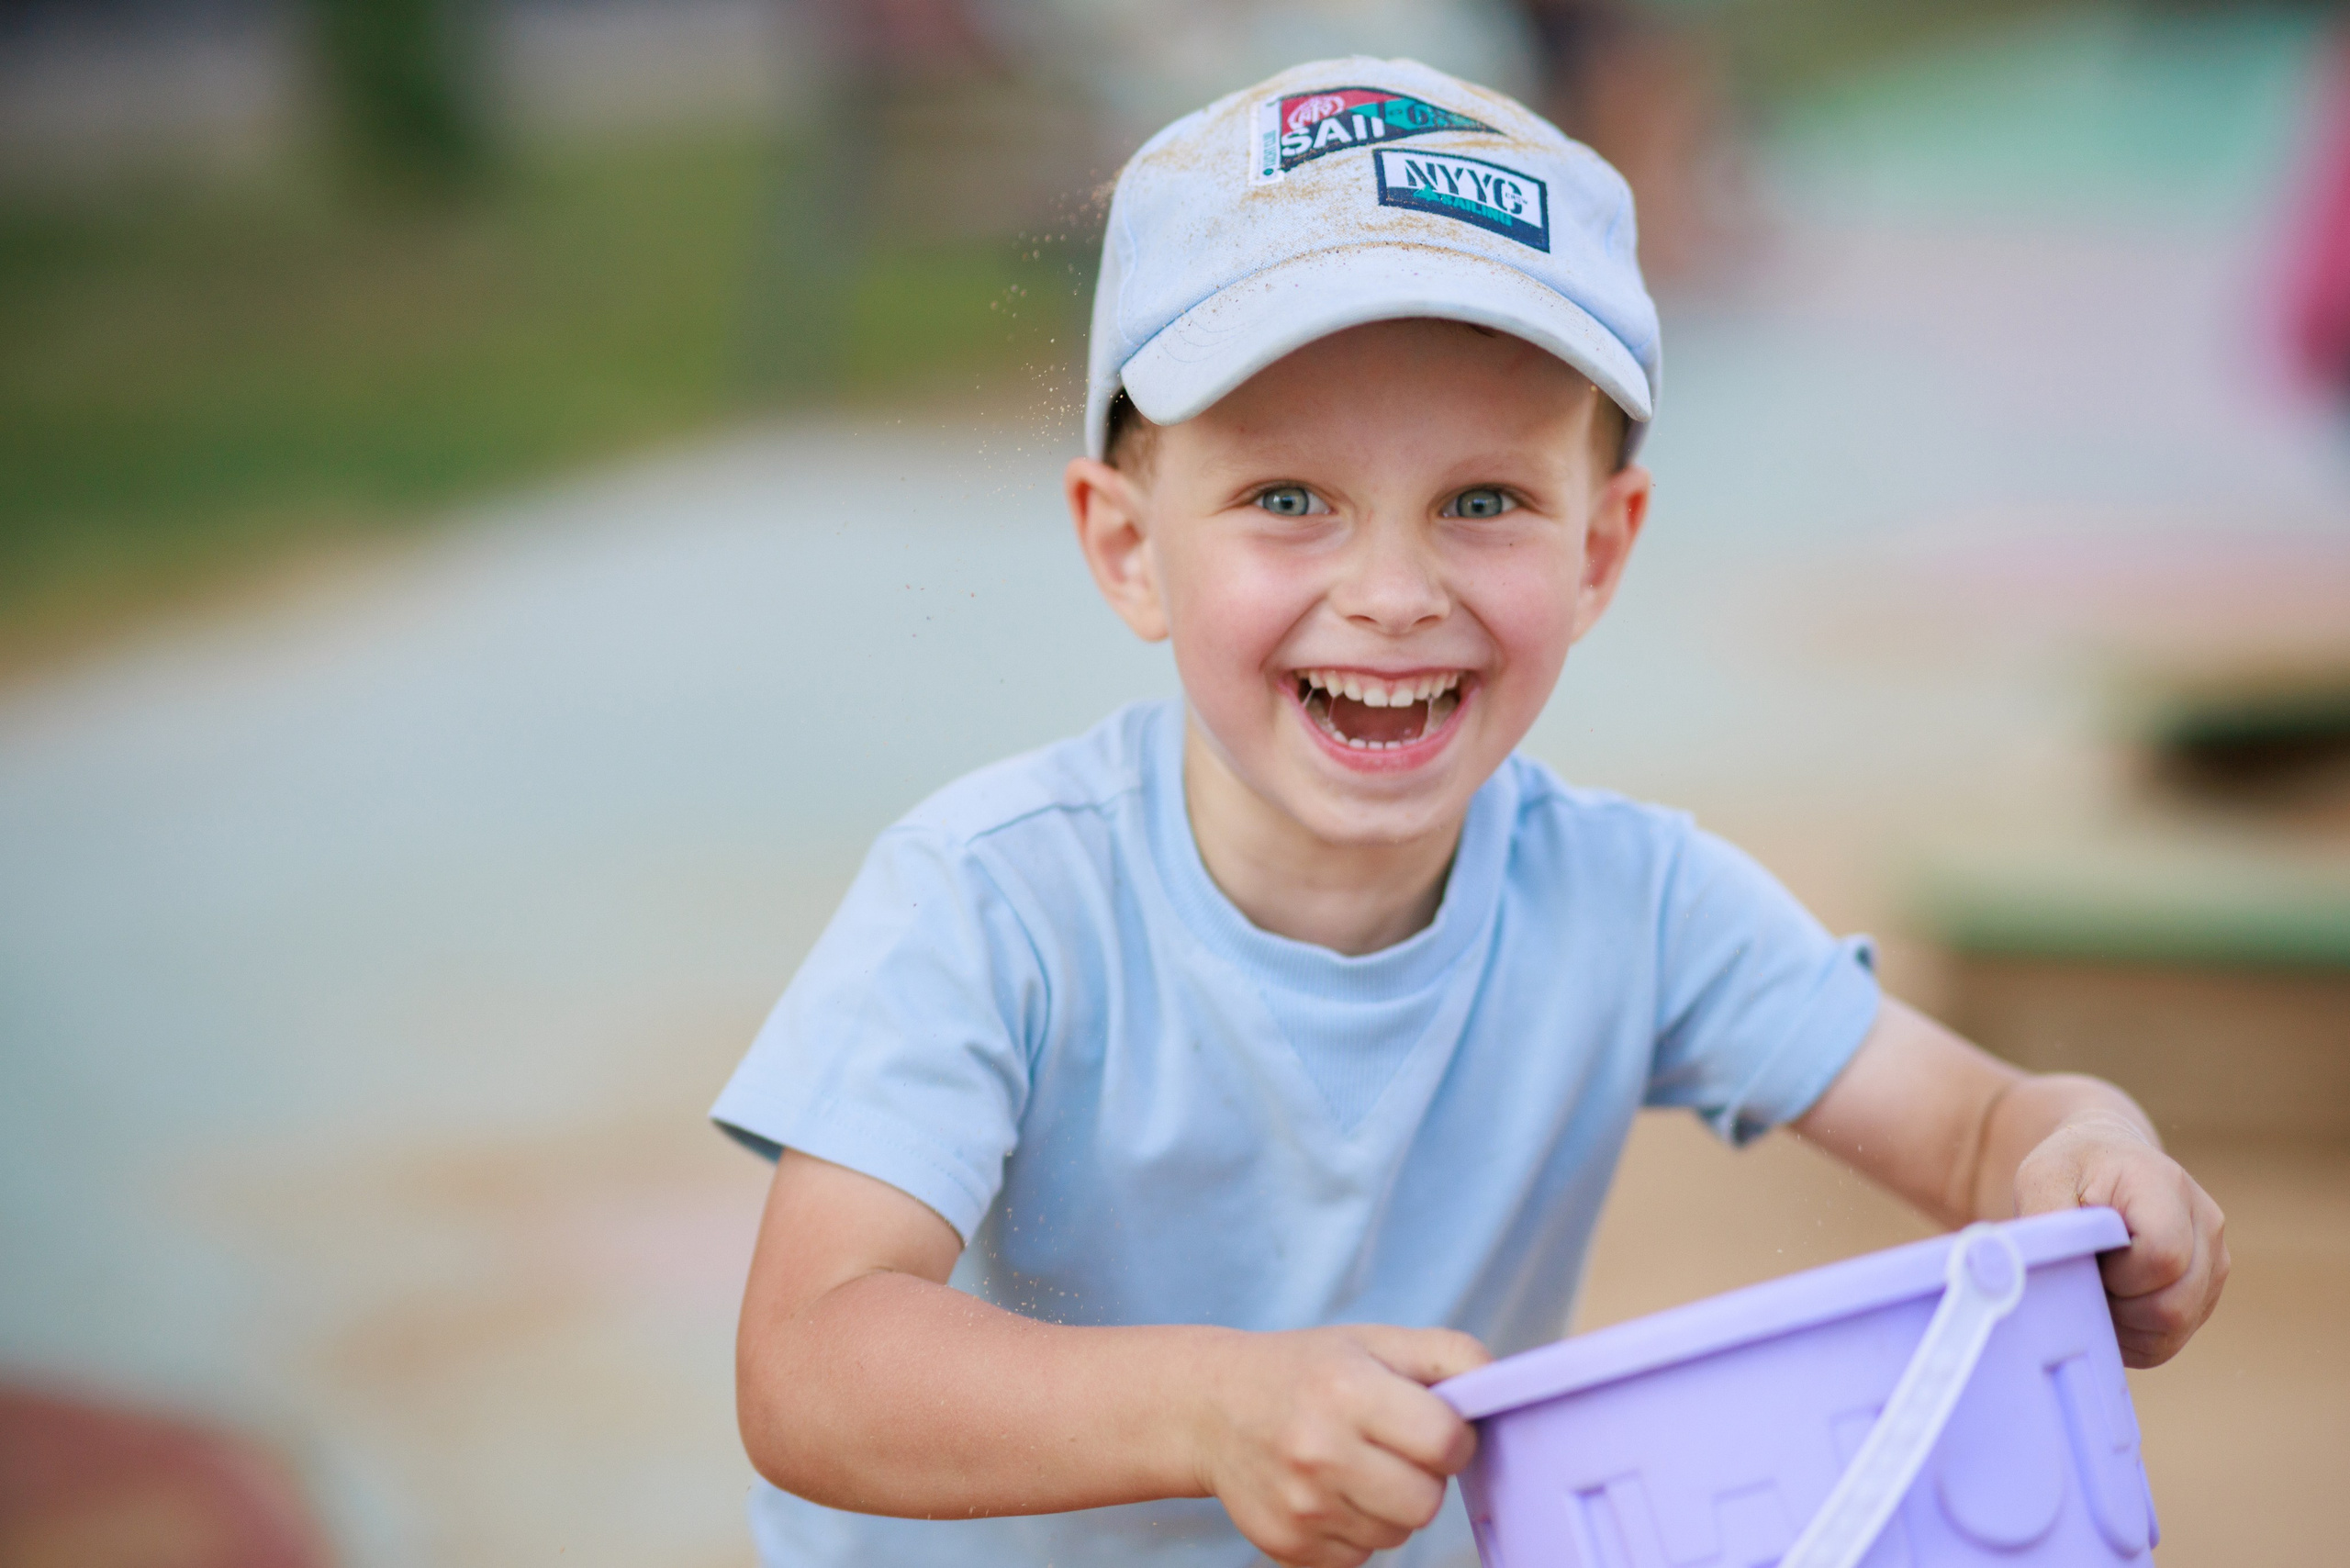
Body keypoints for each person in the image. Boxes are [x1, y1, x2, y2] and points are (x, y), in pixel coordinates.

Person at [712, 56, 2228, 1568]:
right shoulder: (993, 904)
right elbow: (811, 1364)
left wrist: (2090, 1154)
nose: (1390, 594)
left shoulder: (1630, 901)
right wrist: (1212, 1407)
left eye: (1483, 501)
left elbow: (1977, 1130)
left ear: (1600, 549)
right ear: (1127, 548)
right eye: (1288, 499)